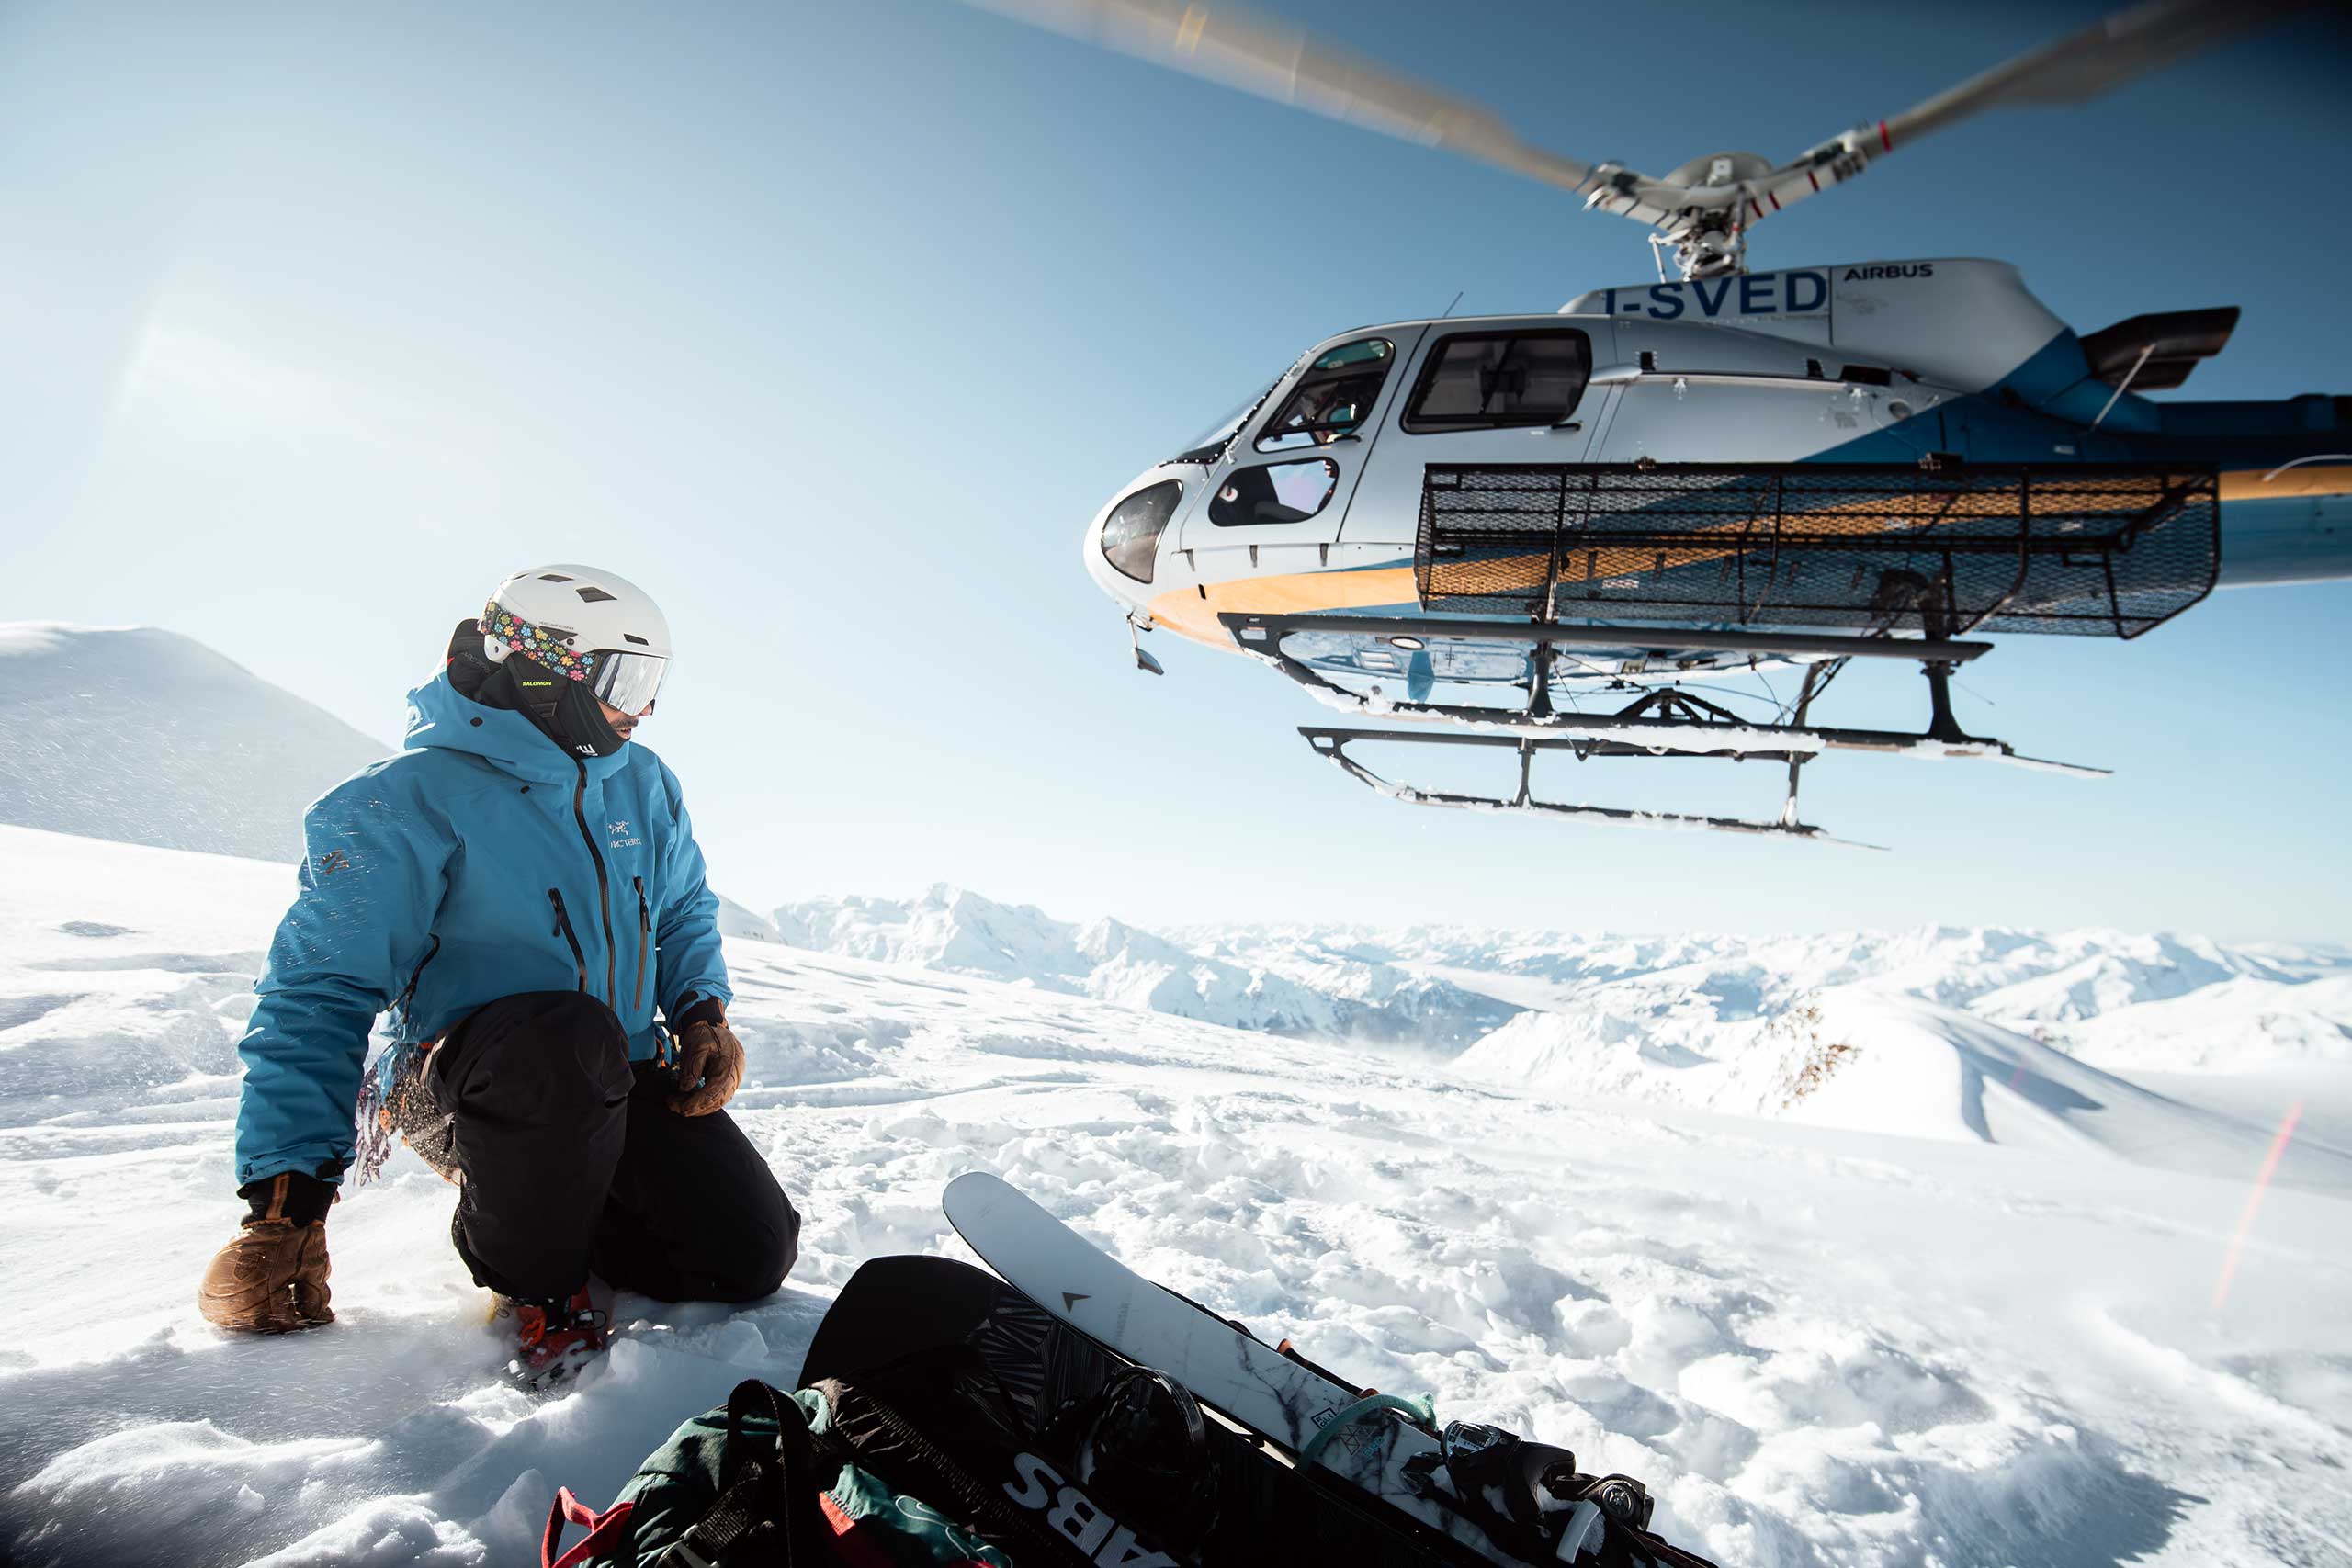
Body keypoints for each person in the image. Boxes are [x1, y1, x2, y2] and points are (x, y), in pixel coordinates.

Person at [198, 564, 799, 1382]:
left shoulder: (643, 783)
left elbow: (685, 906)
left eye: (654, 681)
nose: (645, 707)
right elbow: (318, 996)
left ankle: (559, 1211)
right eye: (626, 679)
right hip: (467, 1084)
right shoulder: (404, 801)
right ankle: (532, 1283)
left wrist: (700, 1008)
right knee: (564, 1038)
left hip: (607, 1077)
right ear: (551, 668)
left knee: (749, 1252)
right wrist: (284, 1204)